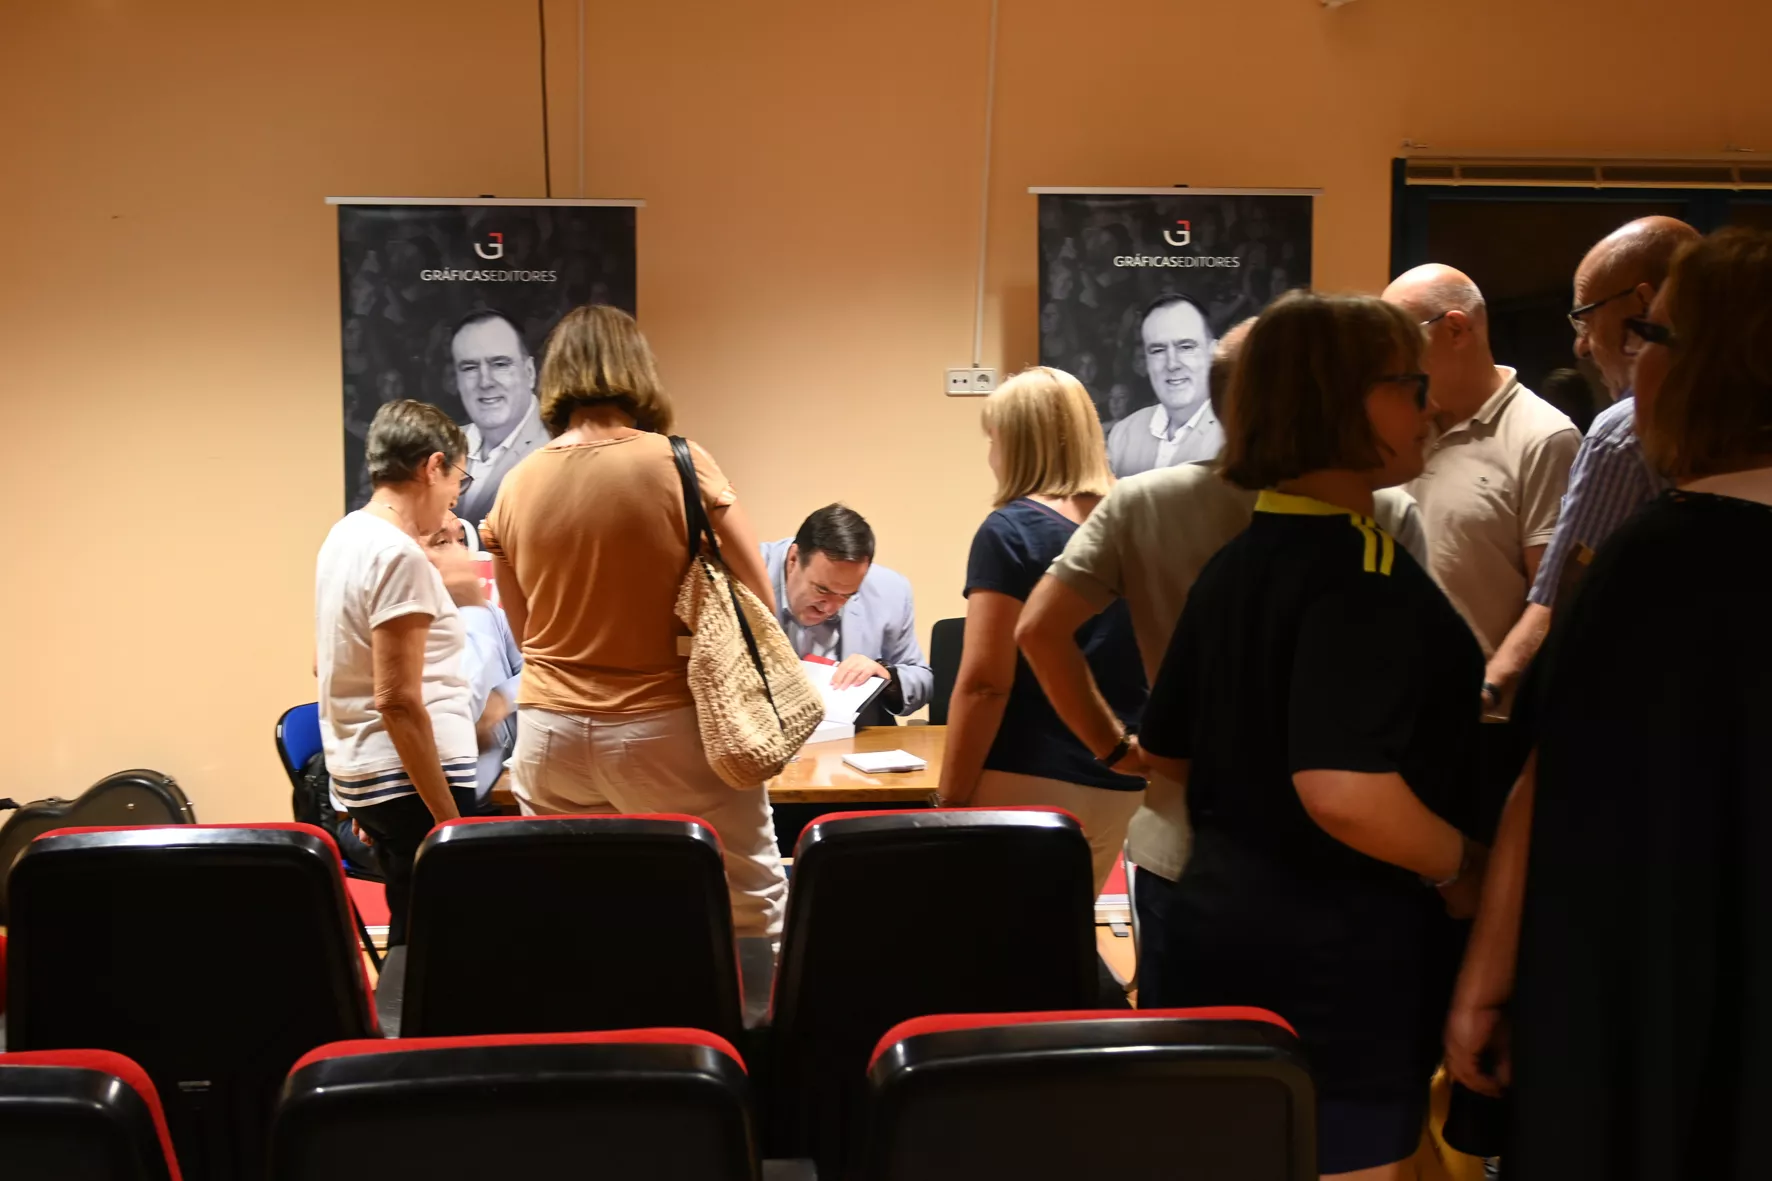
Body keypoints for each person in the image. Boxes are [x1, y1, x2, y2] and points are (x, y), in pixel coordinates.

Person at [1446, 227, 1772, 1181]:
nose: (1633, 363)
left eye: (1653, 339)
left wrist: (1483, 985)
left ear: (1712, 368)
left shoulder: (1658, 563)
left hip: (1654, 997)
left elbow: (1552, 782)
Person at [1140, 293, 1488, 1180]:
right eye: (1410, 387)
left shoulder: (1234, 565)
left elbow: (1167, 749)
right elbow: (1344, 789)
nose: (1432, 409)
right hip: (1337, 960)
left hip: (1215, 932)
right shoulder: (1364, 572)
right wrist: (1464, 868)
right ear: (1344, 401)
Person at [1016, 317, 1431, 1002]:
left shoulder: (1145, 501)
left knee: (1197, 1086)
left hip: (1187, 846)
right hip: (1342, 854)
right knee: (1333, 1087)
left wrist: (1114, 748)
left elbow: (1038, 630)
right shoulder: (1384, 509)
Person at [481, 303, 788, 939]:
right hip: (664, 726)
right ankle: (747, 1035)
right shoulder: (679, 462)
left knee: (582, 910)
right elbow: (760, 597)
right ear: (638, 370)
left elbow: (526, 629)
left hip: (549, 735)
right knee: (745, 900)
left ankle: (604, 1033)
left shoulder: (514, 483)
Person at [1382, 265, 1580, 835]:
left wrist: (1487, 688)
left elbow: (1553, 594)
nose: (1390, 355)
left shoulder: (1543, 437)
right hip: (1391, 722)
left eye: (1401, 335)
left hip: (1479, 731)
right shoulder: (1400, 425)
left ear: (1456, 329)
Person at [934, 367, 1146, 895]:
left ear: (1017, 443)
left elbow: (986, 682)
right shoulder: (1137, 518)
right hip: (1122, 776)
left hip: (1026, 776)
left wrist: (949, 800)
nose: (990, 454)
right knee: (1061, 939)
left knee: (997, 952)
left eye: (994, 439)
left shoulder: (1010, 531)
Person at [1483, 216, 1700, 695]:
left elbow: (1562, 607)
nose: (1580, 346)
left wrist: (1487, 694)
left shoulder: (1624, 432)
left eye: (1585, 318)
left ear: (1644, 307)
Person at [314, 399, 477, 947]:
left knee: (415, 929)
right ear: (432, 467)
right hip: (414, 786)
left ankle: (407, 1027)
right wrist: (448, 819)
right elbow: (398, 700)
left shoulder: (345, 536)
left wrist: (358, 792)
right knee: (442, 942)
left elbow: (329, 667)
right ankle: (422, 1032)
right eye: (458, 476)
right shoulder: (398, 555)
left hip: (382, 781)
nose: (457, 494)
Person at [761, 504, 932, 727]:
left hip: (852, 744)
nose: (830, 607)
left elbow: (921, 679)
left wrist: (887, 676)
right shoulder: (739, 575)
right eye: (822, 590)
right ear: (793, 559)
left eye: (847, 595)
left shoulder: (890, 590)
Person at [450, 308, 550, 528]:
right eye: (469, 368)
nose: (485, 382)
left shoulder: (559, 450)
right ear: (457, 380)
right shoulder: (443, 446)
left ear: (530, 372)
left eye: (500, 364)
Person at [1105, 295, 1221, 477]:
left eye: (1186, 347)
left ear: (1214, 353)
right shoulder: (1123, 435)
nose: (1172, 364)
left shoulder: (1239, 439)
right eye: (1158, 350)